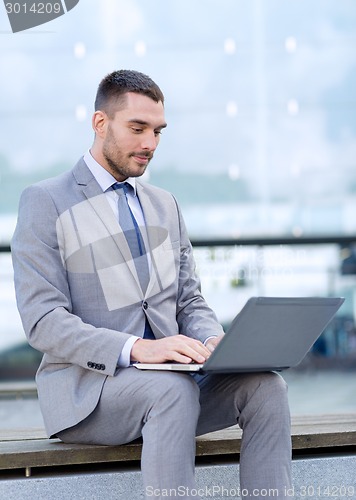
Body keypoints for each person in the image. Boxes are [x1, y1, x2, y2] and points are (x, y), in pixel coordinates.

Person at [12, 69, 292, 499]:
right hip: (89, 395)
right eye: (137, 128)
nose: (150, 144)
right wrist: (137, 349)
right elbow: (43, 321)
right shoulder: (45, 201)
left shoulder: (165, 204)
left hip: (174, 382)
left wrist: (213, 340)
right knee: (171, 390)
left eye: (158, 131)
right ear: (100, 123)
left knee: (266, 386)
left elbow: (189, 300)